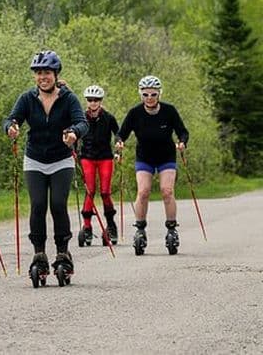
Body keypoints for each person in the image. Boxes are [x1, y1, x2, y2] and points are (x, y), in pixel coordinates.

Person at [3, 50, 87, 282]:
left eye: (47, 73)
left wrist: (74, 133)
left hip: (61, 159)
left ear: (56, 74)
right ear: (35, 77)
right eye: (39, 73)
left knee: (58, 205)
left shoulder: (68, 98)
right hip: (35, 159)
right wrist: (11, 127)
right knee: (38, 205)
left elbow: (82, 122)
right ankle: (39, 253)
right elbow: (11, 119)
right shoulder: (27, 98)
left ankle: (62, 252)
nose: (43, 77)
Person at [115, 75, 188, 255]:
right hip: (144, 158)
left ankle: (172, 229)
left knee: (167, 191)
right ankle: (140, 229)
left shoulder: (169, 111)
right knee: (143, 191)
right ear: (141, 94)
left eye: (153, 94)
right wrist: (119, 143)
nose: (149, 98)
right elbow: (121, 134)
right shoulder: (135, 113)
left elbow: (183, 132)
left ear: (159, 94)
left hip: (166, 157)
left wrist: (182, 142)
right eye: (145, 94)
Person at [77, 85, 120, 246]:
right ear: (86, 101)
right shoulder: (80, 118)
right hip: (87, 157)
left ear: (100, 101)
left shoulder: (108, 118)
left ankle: (110, 225)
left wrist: (119, 147)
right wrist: (72, 151)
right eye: (90, 100)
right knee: (90, 191)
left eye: (96, 100)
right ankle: (87, 227)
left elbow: (119, 134)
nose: (93, 103)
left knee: (105, 192)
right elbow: (74, 133)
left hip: (105, 158)